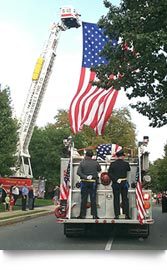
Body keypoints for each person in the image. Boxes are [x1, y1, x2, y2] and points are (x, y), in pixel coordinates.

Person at [77, 150, 101, 219]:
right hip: (93, 182)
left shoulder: (82, 163)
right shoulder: (95, 162)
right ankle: (94, 215)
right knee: (93, 199)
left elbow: (78, 172)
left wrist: (85, 176)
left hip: (84, 181)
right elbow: (99, 169)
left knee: (84, 199)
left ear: (86, 155)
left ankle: (82, 215)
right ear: (92, 156)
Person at [108, 149, 131, 219]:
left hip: (115, 183)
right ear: (122, 156)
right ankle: (126, 214)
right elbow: (129, 169)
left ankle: (117, 215)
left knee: (116, 199)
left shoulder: (112, 164)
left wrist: (116, 179)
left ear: (117, 156)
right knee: (125, 199)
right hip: (124, 183)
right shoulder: (126, 164)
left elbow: (109, 174)